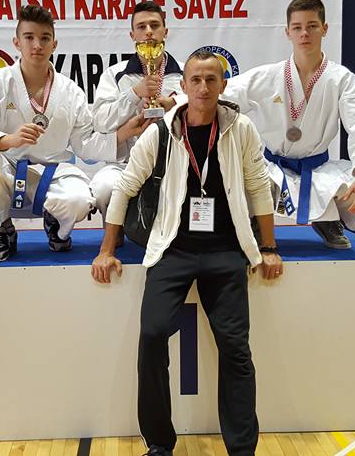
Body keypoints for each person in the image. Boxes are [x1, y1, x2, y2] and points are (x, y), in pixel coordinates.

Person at [92, 51, 284, 456]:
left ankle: (242, 449)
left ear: (223, 85)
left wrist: (268, 248)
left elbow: (258, 186)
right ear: (183, 86)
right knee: (152, 335)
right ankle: (160, 444)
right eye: (195, 79)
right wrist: (107, 251)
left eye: (211, 80)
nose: (203, 87)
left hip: (226, 252)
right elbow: (125, 189)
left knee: (235, 347)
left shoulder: (241, 129)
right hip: (173, 250)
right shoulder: (161, 132)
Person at [0, 5, 147, 262]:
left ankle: (56, 224)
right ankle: (3, 230)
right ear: (16, 42)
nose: (37, 45)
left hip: (53, 172)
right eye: (29, 37)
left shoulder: (71, 91)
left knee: (79, 200)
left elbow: (84, 143)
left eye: (45, 38)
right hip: (8, 168)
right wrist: (7, 140)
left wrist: (123, 133)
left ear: (54, 44)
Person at [223, 0, 355, 249]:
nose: (304, 33)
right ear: (287, 32)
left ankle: (328, 218)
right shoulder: (269, 75)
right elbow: (222, 95)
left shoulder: (341, 79)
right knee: (238, 174)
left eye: (312, 26)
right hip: (271, 167)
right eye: (297, 27)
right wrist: (176, 101)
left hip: (317, 168)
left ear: (324, 29)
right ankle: (257, 220)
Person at [90, 0, 186, 223]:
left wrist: (174, 104)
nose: (148, 32)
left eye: (155, 25)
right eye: (141, 27)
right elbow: (100, 121)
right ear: (132, 35)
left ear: (165, 31)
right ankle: (115, 232)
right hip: (126, 163)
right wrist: (134, 94)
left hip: (174, 161)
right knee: (103, 187)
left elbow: (205, 107)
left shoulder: (186, 72)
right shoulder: (115, 74)